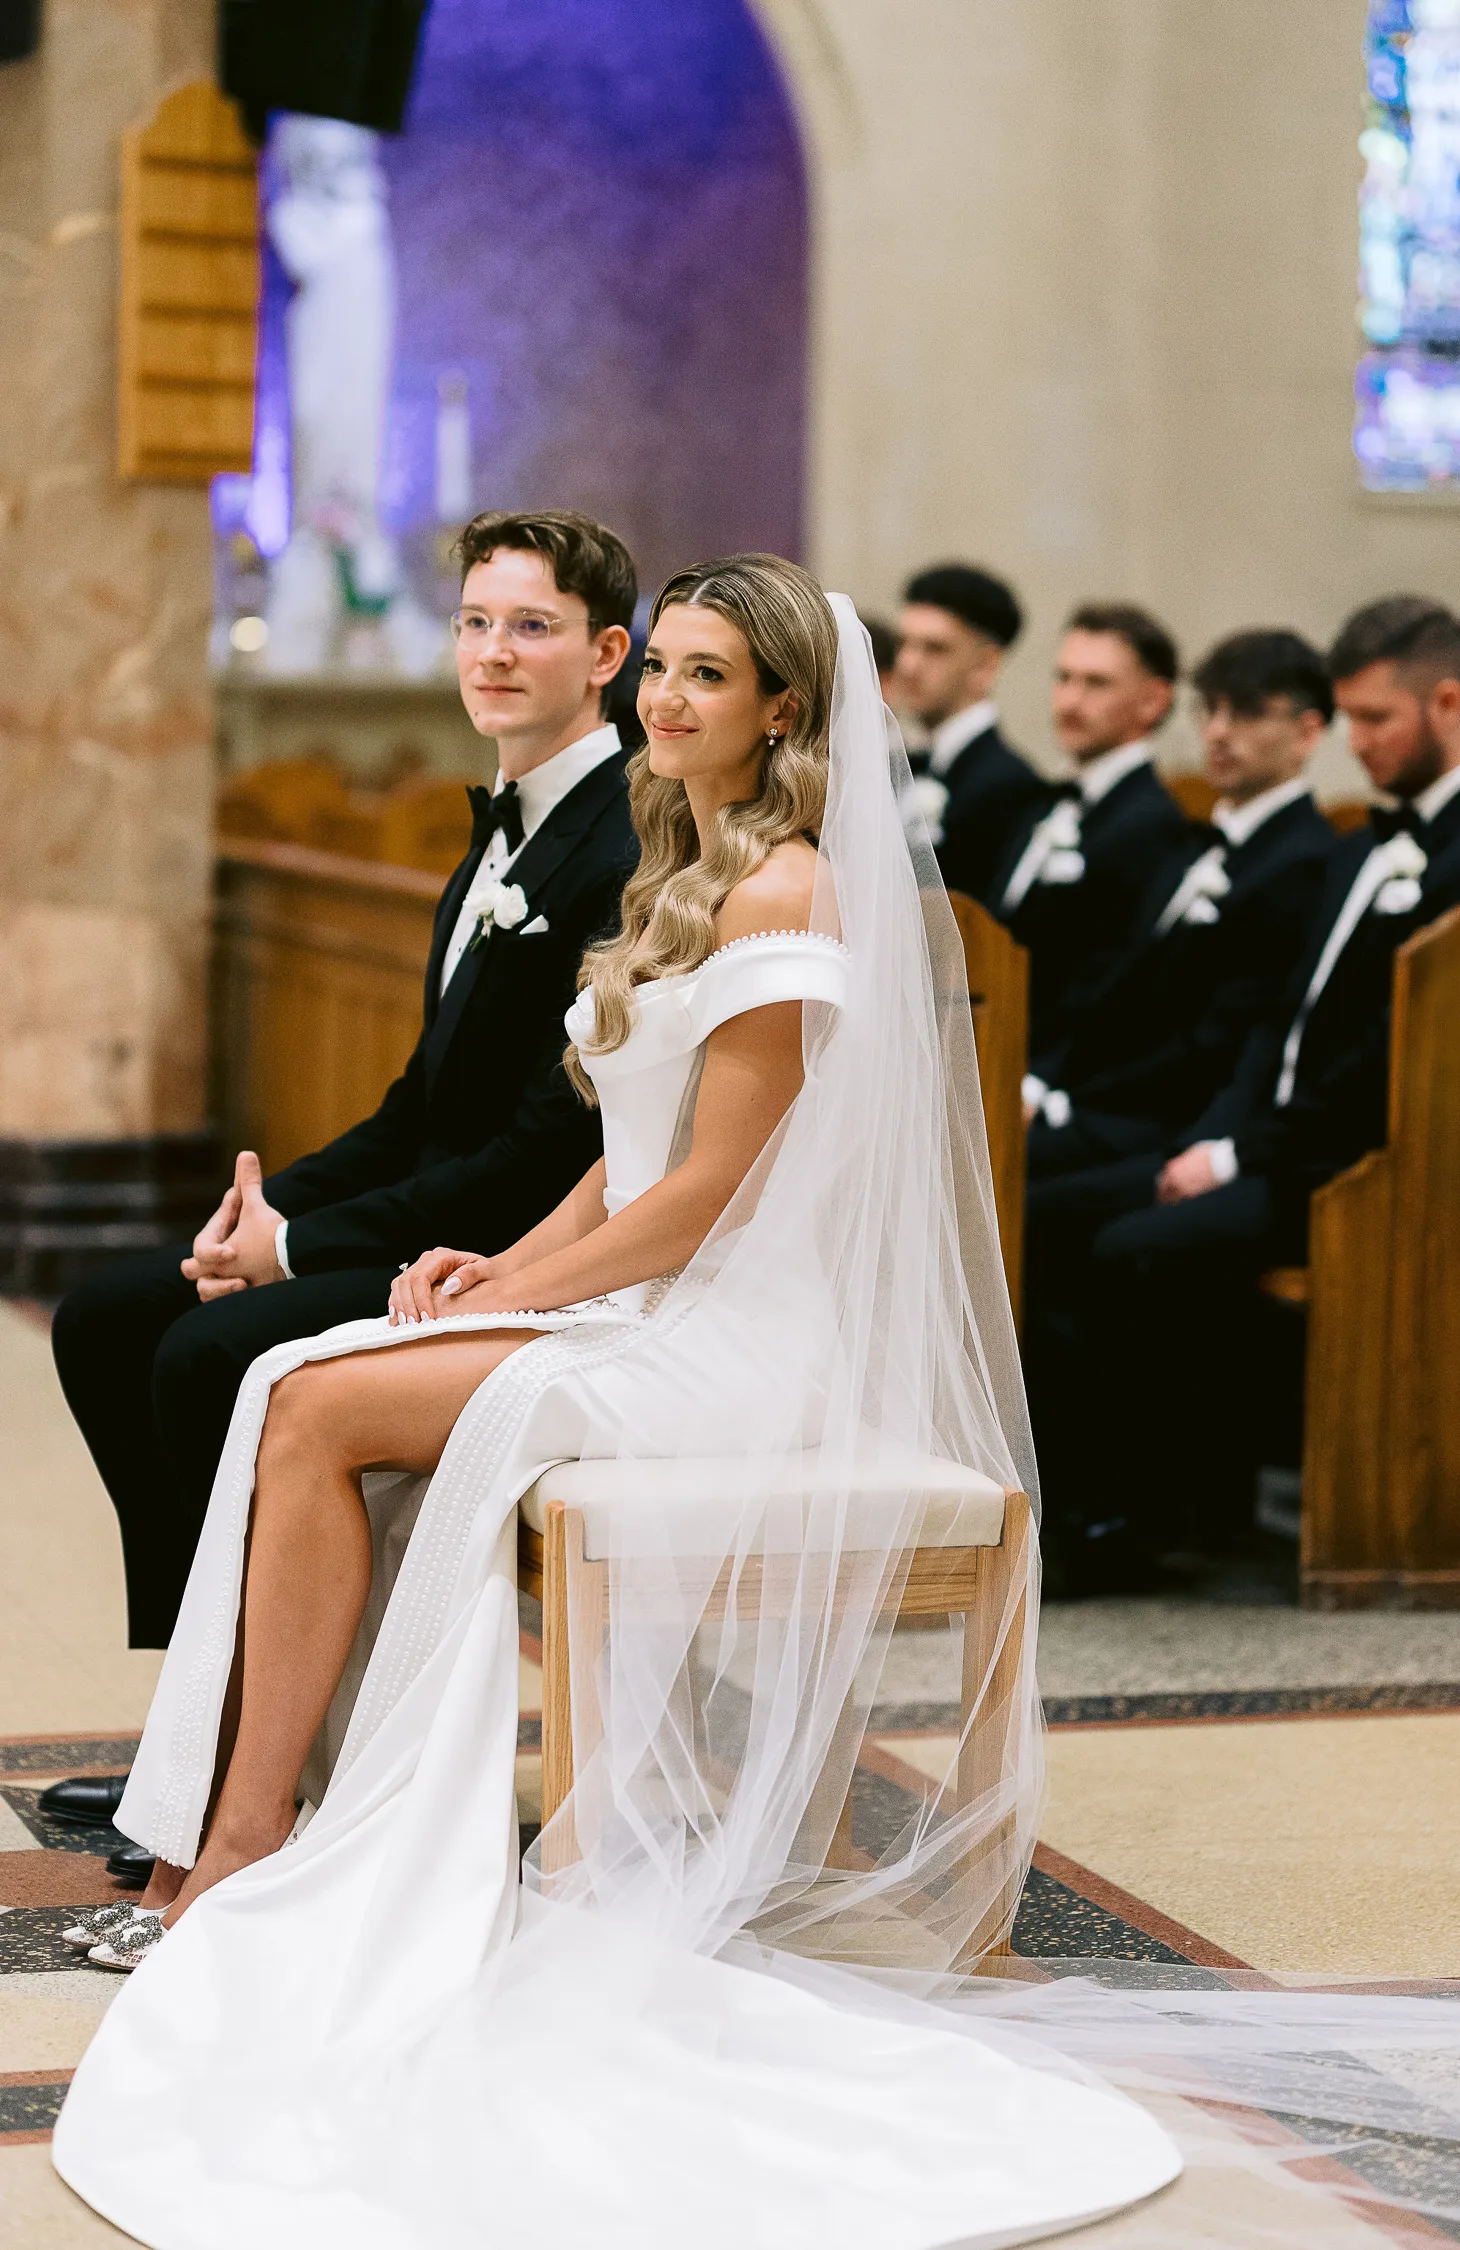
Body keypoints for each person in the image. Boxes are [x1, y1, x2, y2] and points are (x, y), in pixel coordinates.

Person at [53, 561, 1184, 2246]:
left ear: (783, 708)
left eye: (707, 678)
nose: (663, 699)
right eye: (660, 669)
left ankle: (245, 1839)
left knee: (306, 1400)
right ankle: (249, 1819)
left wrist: (519, 1300)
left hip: (737, 1332)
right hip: (650, 1292)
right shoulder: (690, 863)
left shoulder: (788, 889)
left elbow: (707, 1196)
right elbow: (612, 1155)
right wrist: (481, 1260)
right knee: (303, 1376)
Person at [43, 510, 640, 1849]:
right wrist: (269, 1217)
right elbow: (416, 1108)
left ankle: (243, 1759)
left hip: (509, 1251)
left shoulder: (622, 843)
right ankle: (201, 1717)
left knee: (205, 1354)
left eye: (531, 626)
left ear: (606, 652)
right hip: (435, 1205)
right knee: (104, 1314)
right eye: (478, 621)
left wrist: (302, 1252)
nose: (493, 651)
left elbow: (547, 1148)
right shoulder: (504, 834)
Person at [1033, 597, 1460, 1584]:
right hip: (1273, 1137)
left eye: (1377, 720)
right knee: (1058, 1216)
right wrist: (1214, 1138)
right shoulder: (1363, 846)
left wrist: (1244, 1156)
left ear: (1448, 702)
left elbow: (1391, 1052)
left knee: (1126, 1248)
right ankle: (1085, 1507)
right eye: (1353, 718)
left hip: (1358, 1165)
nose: (1359, 744)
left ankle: (1141, 1521)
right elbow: (1278, 1027)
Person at [1024, 629, 1336, 1179]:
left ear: (1307, 734)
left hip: (1171, 1121)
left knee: (1006, 1184)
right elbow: (1115, 986)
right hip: (1110, 1101)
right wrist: (1047, 1086)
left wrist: (1075, 1100)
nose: (1217, 733)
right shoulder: (1199, 843)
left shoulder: (1304, 862)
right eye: (1211, 710)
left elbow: (1217, 1041)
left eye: (1245, 714)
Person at [986, 602, 1190, 1056]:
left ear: (1154, 700)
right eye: (1064, 678)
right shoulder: (1042, 802)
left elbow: (1110, 983)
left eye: (1096, 683)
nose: (1070, 701)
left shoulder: (1153, 825)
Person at [893, 561, 1049, 901]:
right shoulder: (898, 761)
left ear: (985, 665)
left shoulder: (1010, 784)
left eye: (934, 648)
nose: (908, 664)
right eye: (905, 643)